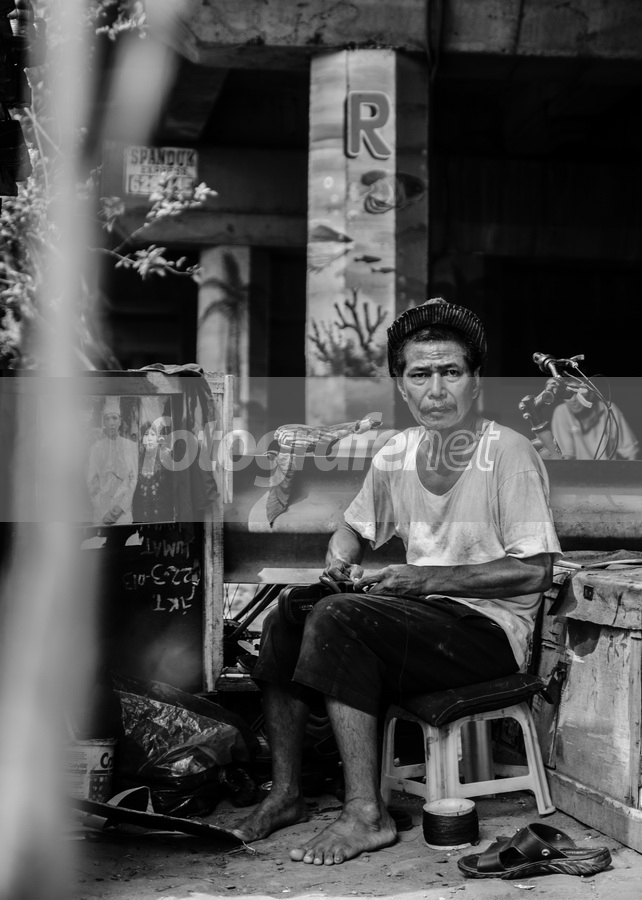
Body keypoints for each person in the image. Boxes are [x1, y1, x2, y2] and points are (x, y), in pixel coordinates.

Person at [232, 297, 562, 865]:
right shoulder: (398, 452)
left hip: (489, 633)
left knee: (338, 617)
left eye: (451, 372)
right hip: (424, 621)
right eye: (420, 375)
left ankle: (367, 813)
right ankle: (286, 793)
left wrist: (422, 579)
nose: (437, 390)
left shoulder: (508, 452)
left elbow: (536, 569)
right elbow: (353, 528)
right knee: (293, 609)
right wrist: (340, 560)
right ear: (401, 387)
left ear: (476, 382)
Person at [551, 383, 639, 460]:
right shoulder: (561, 412)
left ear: (591, 394)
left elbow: (631, 451)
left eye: (578, 392)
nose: (573, 400)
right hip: (576, 471)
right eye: (568, 393)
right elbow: (566, 456)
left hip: (607, 470)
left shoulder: (609, 409)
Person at [87, 397, 139, 525]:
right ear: (103, 422)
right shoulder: (95, 448)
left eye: (115, 418)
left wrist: (121, 507)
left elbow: (133, 480)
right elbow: (91, 481)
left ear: (120, 421)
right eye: (107, 419)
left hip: (123, 515)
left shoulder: (131, 447)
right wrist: (104, 512)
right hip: (102, 516)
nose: (111, 423)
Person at [132, 420, 175, 523]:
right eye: (146, 434)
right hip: (141, 519)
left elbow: (174, 487)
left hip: (164, 518)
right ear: (142, 439)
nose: (149, 438)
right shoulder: (136, 461)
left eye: (153, 434)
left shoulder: (167, 458)